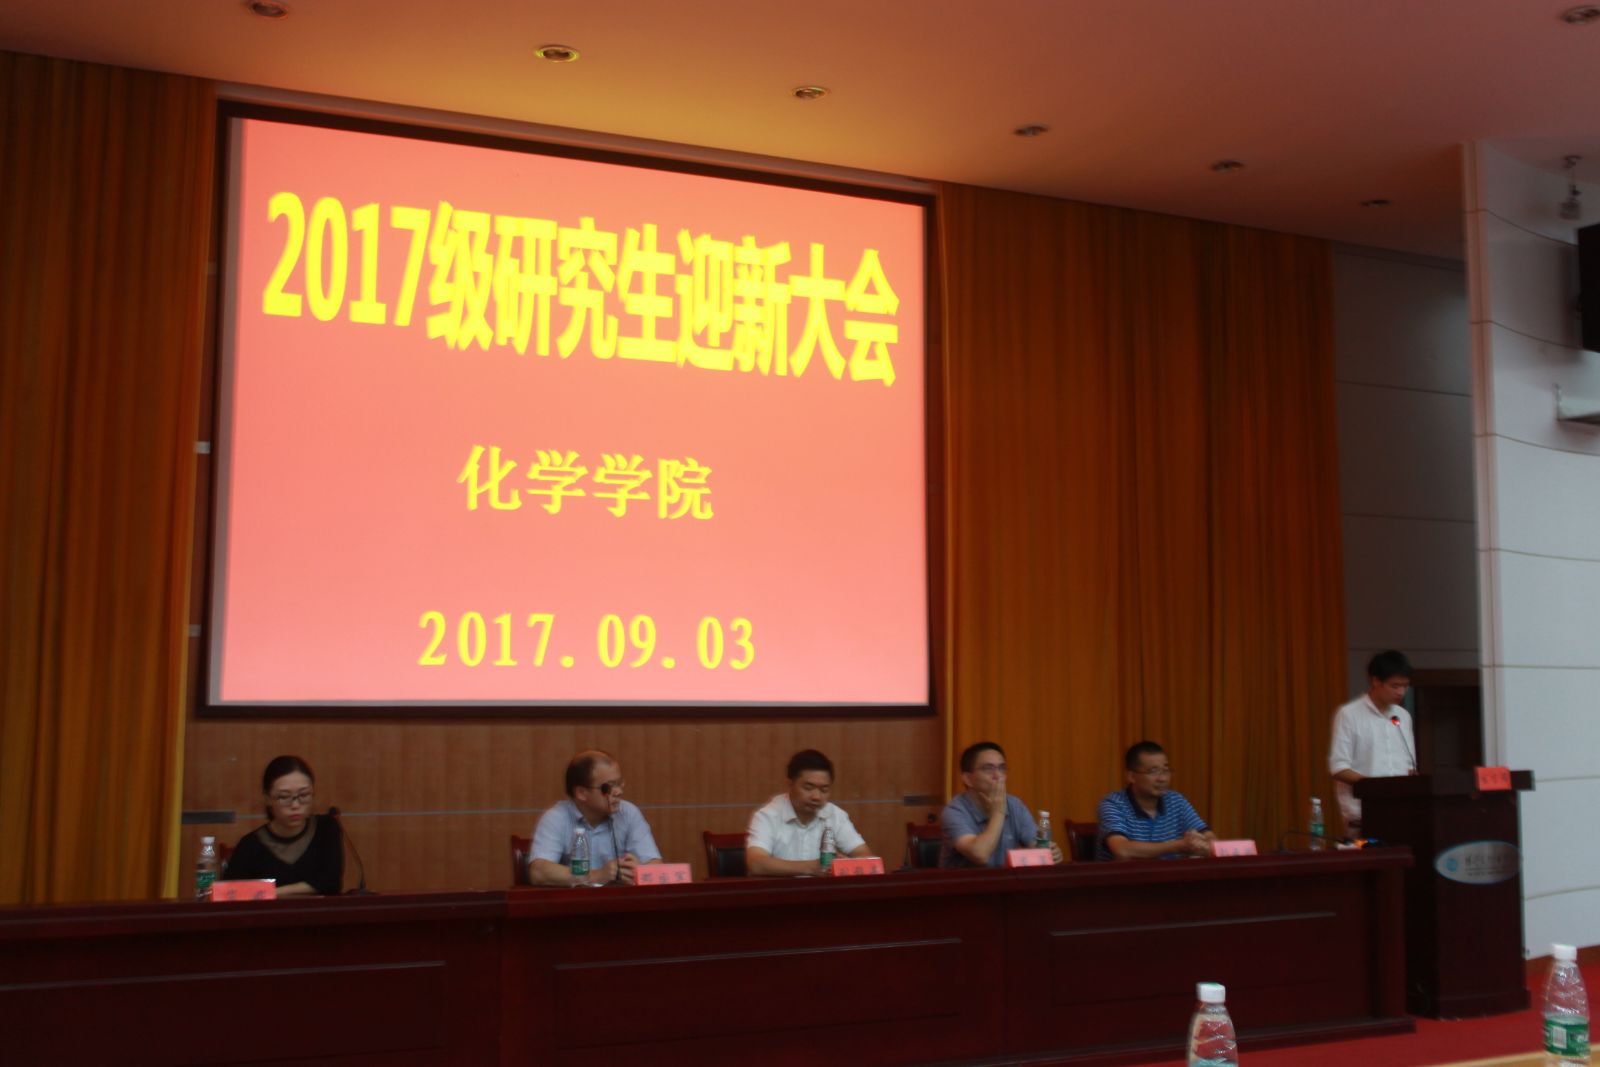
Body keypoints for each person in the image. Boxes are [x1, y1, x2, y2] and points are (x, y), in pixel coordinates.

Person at [529, 750, 662, 886]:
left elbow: (656, 865)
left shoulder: (628, 813)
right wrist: (596, 875)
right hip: (575, 899)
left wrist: (640, 872)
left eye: (619, 783)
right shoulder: (556, 818)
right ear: (581, 793)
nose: (619, 792)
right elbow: (538, 872)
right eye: (608, 787)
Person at [219, 754, 344, 896]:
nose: (295, 805)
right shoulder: (250, 845)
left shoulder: (325, 828)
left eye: (304, 795)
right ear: (268, 799)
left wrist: (271, 893)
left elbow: (331, 883)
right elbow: (230, 893)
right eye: (284, 797)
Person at [1329, 649, 1417, 834]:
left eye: (1405, 686)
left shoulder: (1403, 716)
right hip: (1363, 817)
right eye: (1395, 686)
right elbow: (1338, 767)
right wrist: (1377, 788)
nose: (1401, 692)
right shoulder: (1349, 714)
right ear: (1376, 681)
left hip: (1401, 815)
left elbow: (1409, 767)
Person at [746, 749, 873, 876]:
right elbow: (756, 864)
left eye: (824, 790)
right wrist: (812, 868)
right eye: (808, 788)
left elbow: (866, 856)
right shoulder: (767, 816)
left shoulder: (835, 815)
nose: (816, 797)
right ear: (790, 784)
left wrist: (845, 864)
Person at [939, 741, 1063, 867]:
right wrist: (998, 812)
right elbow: (980, 854)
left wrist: (1050, 853)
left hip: (1007, 879)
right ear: (968, 779)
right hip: (967, 879)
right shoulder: (954, 811)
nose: (998, 776)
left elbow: (1038, 847)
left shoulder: (1015, 805)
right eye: (988, 768)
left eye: (1002, 768)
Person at [1096, 741, 1215, 860]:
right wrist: (1178, 846)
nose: (1163, 778)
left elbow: (1212, 840)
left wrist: (1200, 845)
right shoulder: (1113, 804)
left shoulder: (1176, 800)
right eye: (1153, 771)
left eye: (1166, 770)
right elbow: (1122, 850)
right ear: (1131, 776)